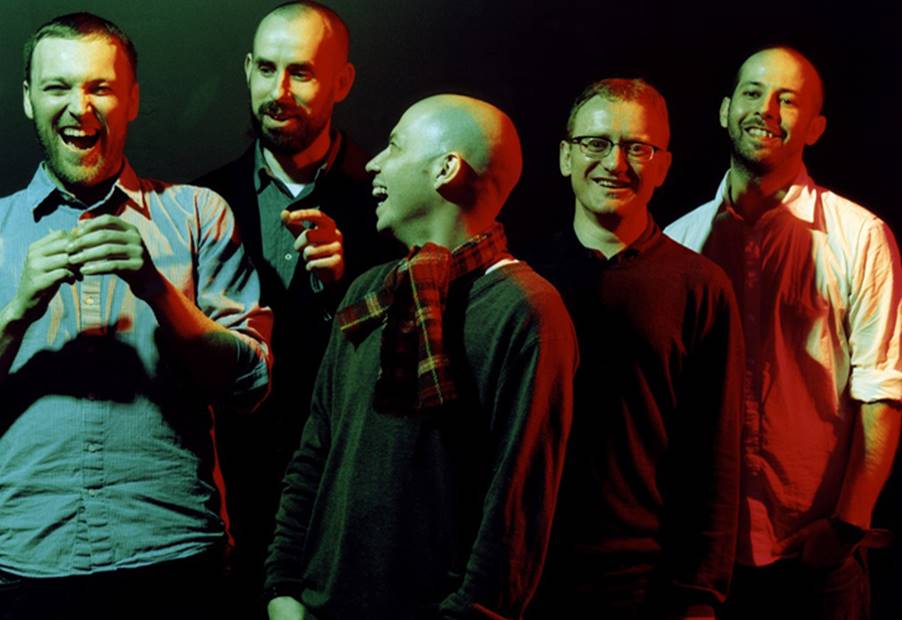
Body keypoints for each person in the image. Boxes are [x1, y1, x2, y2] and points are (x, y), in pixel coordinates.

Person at [0, 12, 272, 620]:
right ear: (28, 99)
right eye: (57, 86)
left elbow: (250, 385)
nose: (80, 107)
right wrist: (15, 313)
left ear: (132, 101)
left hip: (175, 557)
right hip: (25, 564)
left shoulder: (199, 214)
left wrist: (157, 289)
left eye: (100, 87)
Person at [263, 94, 577, 620]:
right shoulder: (371, 292)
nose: (372, 163)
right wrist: (283, 588)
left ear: (446, 169)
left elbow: (517, 508)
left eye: (394, 146)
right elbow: (315, 451)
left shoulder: (525, 312)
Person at [665, 47, 902, 619]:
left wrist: (847, 525)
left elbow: (881, 388)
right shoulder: (678, 243)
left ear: (815, 128)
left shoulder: (860, 236)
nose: (766, 109)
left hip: (815, 552)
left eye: (787, 99)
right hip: (708, 556)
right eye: (752, 93)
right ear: (725, 110)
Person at [195, 3, 399, 613]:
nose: (278, 91)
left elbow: (412, 371)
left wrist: (346, 285)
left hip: (346, 503)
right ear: (246, 70)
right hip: (225, 508)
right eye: (266, 69)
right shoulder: (198, 202)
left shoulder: (389, 204)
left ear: (342, 81)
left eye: (301, 73)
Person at [528, 79, 743, 619]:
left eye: (637, 148)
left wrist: (699, 597)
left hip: (644, 586)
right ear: (565, 156)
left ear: (663, 166)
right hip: (524, 576)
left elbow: (715, 456)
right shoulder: (522, 278)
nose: (615, 163)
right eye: (596, 143)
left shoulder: (701, 287)